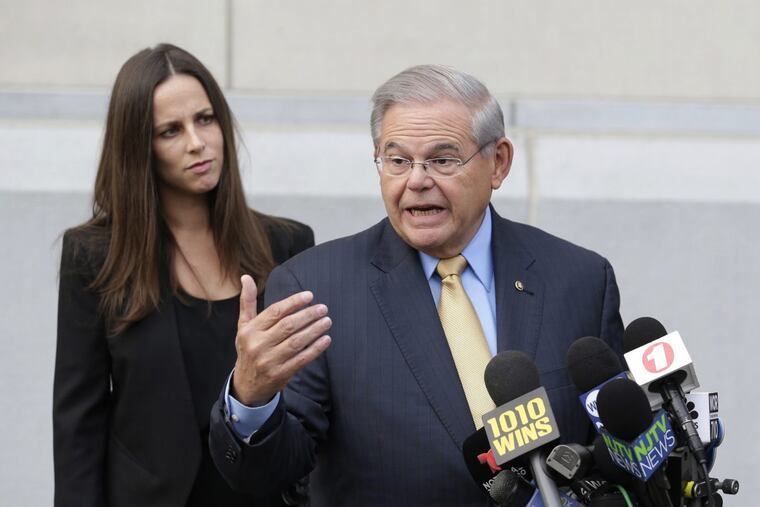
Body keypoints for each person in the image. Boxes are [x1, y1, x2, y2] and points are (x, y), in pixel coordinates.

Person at [209, 65, 624, 505]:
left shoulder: (579, 280)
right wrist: (251, 397)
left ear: (498, 162)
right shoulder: (316, 287)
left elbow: (618, 450)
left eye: (443, 159)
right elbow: (275, 473)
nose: (417, 180)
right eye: (398, 160)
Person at [53, 43, 313, 507]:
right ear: (139, 147)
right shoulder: (95, 254)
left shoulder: (286, 244)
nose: (197, 142)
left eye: (206, 119)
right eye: (170, 130)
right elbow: (79, 422)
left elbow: (309, 403)